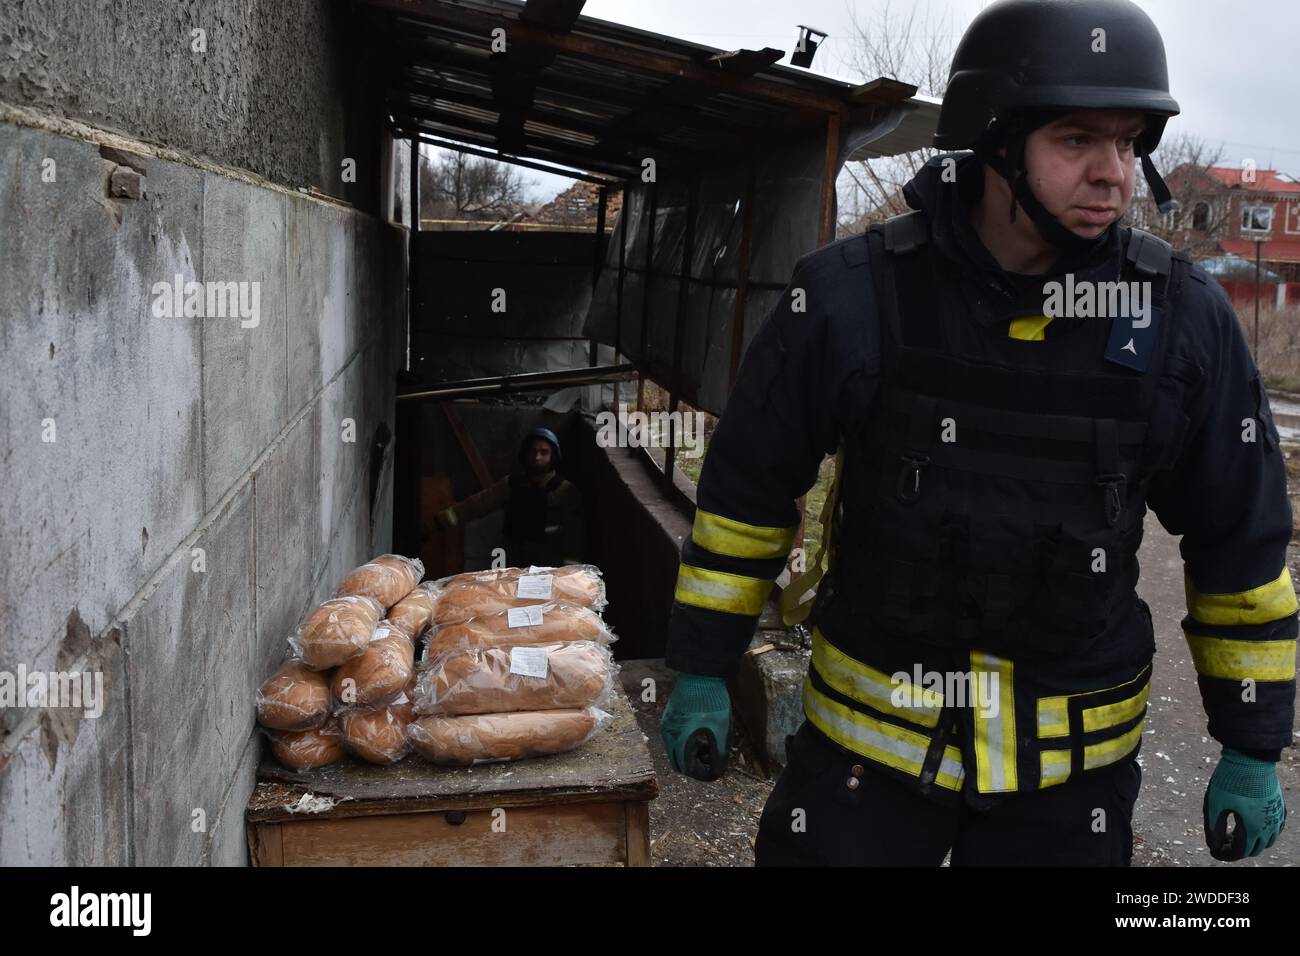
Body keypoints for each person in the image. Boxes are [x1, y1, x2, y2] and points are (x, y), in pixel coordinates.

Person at [660, 0, 1295, 865]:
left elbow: (1241, 548)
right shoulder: (849, 298)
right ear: (993, 142)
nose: (1114, 172)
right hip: (864, 767)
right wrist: (702, 662)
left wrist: (1254, 740)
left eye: (1129, 140)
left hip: (1072, 790)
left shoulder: (1184, 322)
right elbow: (747, 494)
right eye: (1077, 140)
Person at [428, 426, 584, 568]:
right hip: (513, 560)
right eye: (533, 451)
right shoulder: (512, 484)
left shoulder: (564, 490)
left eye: (544, 452)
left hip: (549, 563)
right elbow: (477, 505)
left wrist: (571, 570)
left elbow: (574, 533)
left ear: (553, 456)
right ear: (525, 453)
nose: (537, 457)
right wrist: (440, 520)